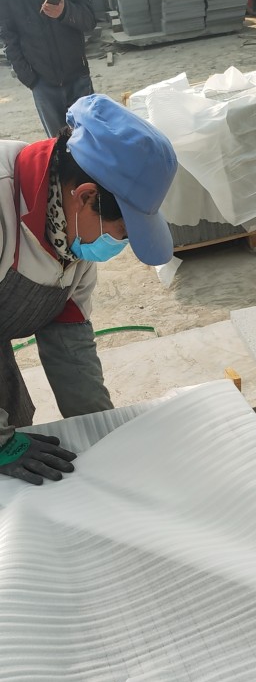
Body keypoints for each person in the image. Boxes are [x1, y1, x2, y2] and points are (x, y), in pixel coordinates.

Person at [0, 93, 177, 485]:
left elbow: (71, 350)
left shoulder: (71, 232)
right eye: (122, 232)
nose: (119, 245)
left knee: (18, 432)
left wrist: (104, 434)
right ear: (85, 197)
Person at [0, 0, 96, 137]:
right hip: (43, 84)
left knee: (92, 139)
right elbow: (8, 37)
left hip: (78, 78)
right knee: (59, 146)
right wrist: (29, 79)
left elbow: (89, 20)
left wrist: (65, 11)